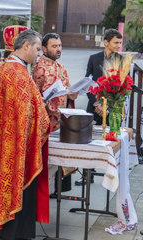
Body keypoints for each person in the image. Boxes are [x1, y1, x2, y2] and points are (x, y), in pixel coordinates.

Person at [0, 29, 52, 240]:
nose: (38, 55)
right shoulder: (17, 73)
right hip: (15, 143)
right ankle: (15, 235)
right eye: (37, 49)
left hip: (3, 140)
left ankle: (2, 228)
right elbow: (28, 113)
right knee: (19, 186)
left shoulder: (2, 67)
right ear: (26, 46)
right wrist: (44, 115)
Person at [32, 33, 79, 194]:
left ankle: (57, 190)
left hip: (62, 121)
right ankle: (44, 192)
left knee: (59, 159)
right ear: (44, 48)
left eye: (59, 46)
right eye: (54, 46)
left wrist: (72, 94)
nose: (58, 49)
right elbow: (36, 95)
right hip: (47, 123)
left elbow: (68, 88)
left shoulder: (60, 66)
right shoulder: (38, 67)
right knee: (48, 161)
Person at [77, 29, 123, 186]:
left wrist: (107, 106)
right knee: (90, 140)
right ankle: (87, 176)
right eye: (116, 42)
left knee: (111, 141)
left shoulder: (122, 61)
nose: (118, 45)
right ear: (106, 42)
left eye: (119, 42)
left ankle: (111, 177)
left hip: (112, 108)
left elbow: (121, 88)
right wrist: (97, 104)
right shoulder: (93, 58)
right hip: (94, 106)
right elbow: (88, 83)